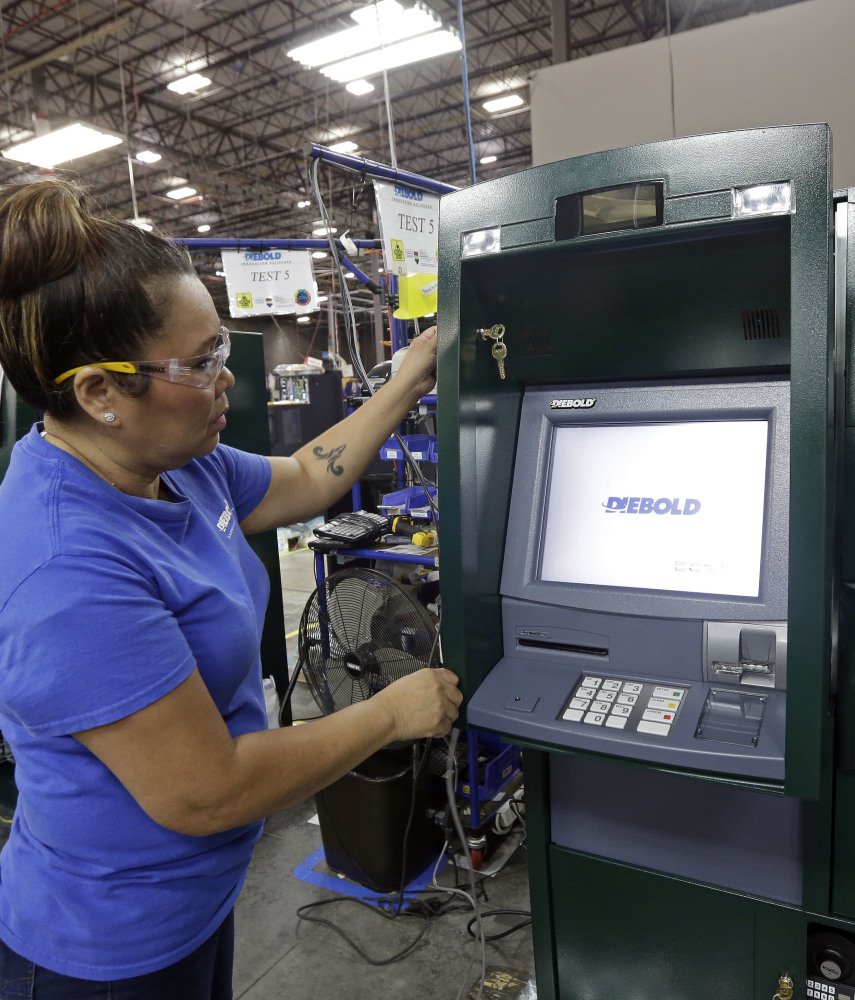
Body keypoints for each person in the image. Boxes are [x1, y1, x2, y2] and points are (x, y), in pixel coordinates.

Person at [0, 178, 462, 999]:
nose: (227, 380)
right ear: (100, 393)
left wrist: (408, 379)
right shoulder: (67, 569)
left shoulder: (178, 465)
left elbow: (301, 480)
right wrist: (389, 712)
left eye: (222, 348)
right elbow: (208, 792)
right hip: (105, 947)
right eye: (201, 361)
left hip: (196, 903)